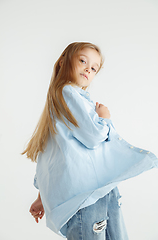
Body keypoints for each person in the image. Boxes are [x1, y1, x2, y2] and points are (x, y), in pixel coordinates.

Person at [22, 42, 158, 240]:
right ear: (63, 62)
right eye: (83, 61)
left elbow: (52, 159)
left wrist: (42, 197)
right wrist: (104, 118)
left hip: (96, 192)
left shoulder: (59, 104)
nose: (88, 68)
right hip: (86, 197)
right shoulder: (67, 92)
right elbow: (94, 137)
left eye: (94, 68)